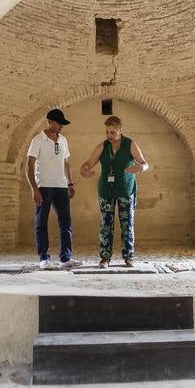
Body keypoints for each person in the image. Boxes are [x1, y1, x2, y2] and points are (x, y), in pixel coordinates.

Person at [80, 115, 149, 267]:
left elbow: (145, 163)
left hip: (126, 189)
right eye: (107, 132)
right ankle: (105, 258)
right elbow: (88, 163)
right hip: (106, 189)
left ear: (120, 130)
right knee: (106, 224)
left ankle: (128, 257)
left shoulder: (130, 144)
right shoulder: (102, 146)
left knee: (127, 224)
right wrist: (84, 170)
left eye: (112, 132)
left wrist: (140, 168)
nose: (109, 135)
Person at [26, 108, 82, 270]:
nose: (61, 127)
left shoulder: (63, 139)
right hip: (43, 186)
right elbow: (29, 166)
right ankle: (44, 258)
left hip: (61, 187)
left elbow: (66, 163)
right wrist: (34, 189)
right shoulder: (37, 140)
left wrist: (70, 183)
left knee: (66, 223)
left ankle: (66, 258)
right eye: (59, 124)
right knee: (41, 223)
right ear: (49, 122)